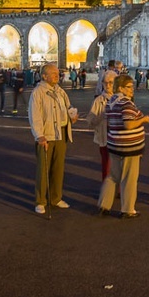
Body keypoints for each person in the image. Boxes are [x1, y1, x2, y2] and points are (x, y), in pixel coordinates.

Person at [97, 74, 149, 218]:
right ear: (120, 87)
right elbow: (128, 124)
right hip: (129, 146)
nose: (132, 89)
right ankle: (127, 209)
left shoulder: (111, 102)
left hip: (114, 143)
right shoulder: (126, 103)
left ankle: (104, 204)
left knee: (113, 175)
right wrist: (143, 119)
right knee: (129, 178)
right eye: (129, 87)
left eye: (132, 86)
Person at [28, 63, 78, 215]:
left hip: (61, 133)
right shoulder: (38, 92)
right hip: (47, 135)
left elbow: (69, 106)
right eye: (54, 73)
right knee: (43, 170)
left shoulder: (60, 91)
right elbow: (34, 115)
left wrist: (72, 115)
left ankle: (56, 198)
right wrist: (39, 135)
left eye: (57, 73)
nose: (57, 75)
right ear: (44, 76)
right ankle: (40, 201)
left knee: (58, 168)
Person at [86, 70, 117, 180]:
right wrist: (101, 116)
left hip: (119, 138)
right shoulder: (99, 100)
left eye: (110, 83)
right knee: (107, 165)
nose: (107, 85)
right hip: (105, 137)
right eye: (105, 83)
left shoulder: (121, 99)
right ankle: (107, 190)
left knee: (119, 166)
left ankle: (117, 189)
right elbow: (90, 121)